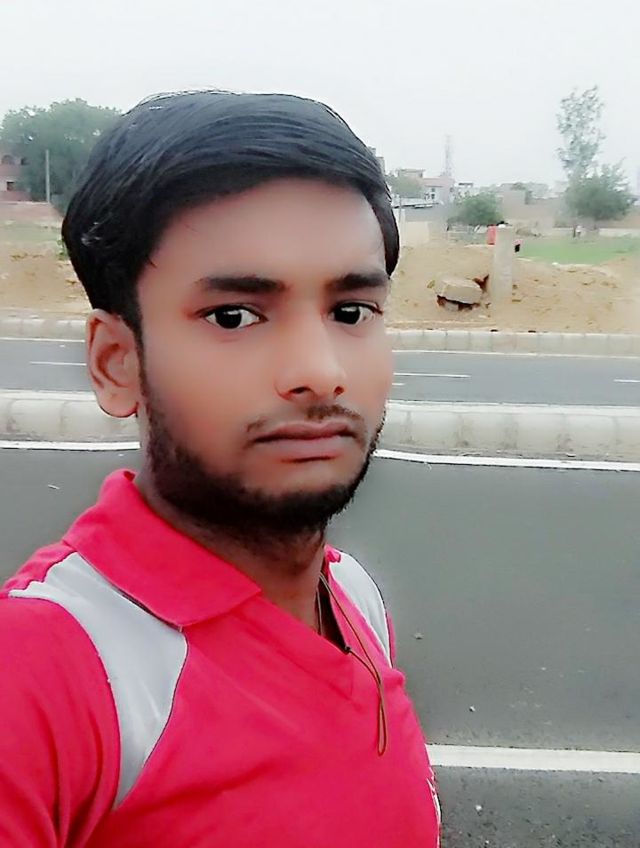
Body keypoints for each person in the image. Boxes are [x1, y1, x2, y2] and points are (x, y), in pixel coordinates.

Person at [0, 91, 441, 847]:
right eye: (234, 316)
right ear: (116, 363)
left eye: (351, 312)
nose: (320, 372)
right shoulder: (45, 670)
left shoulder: (354, 599)